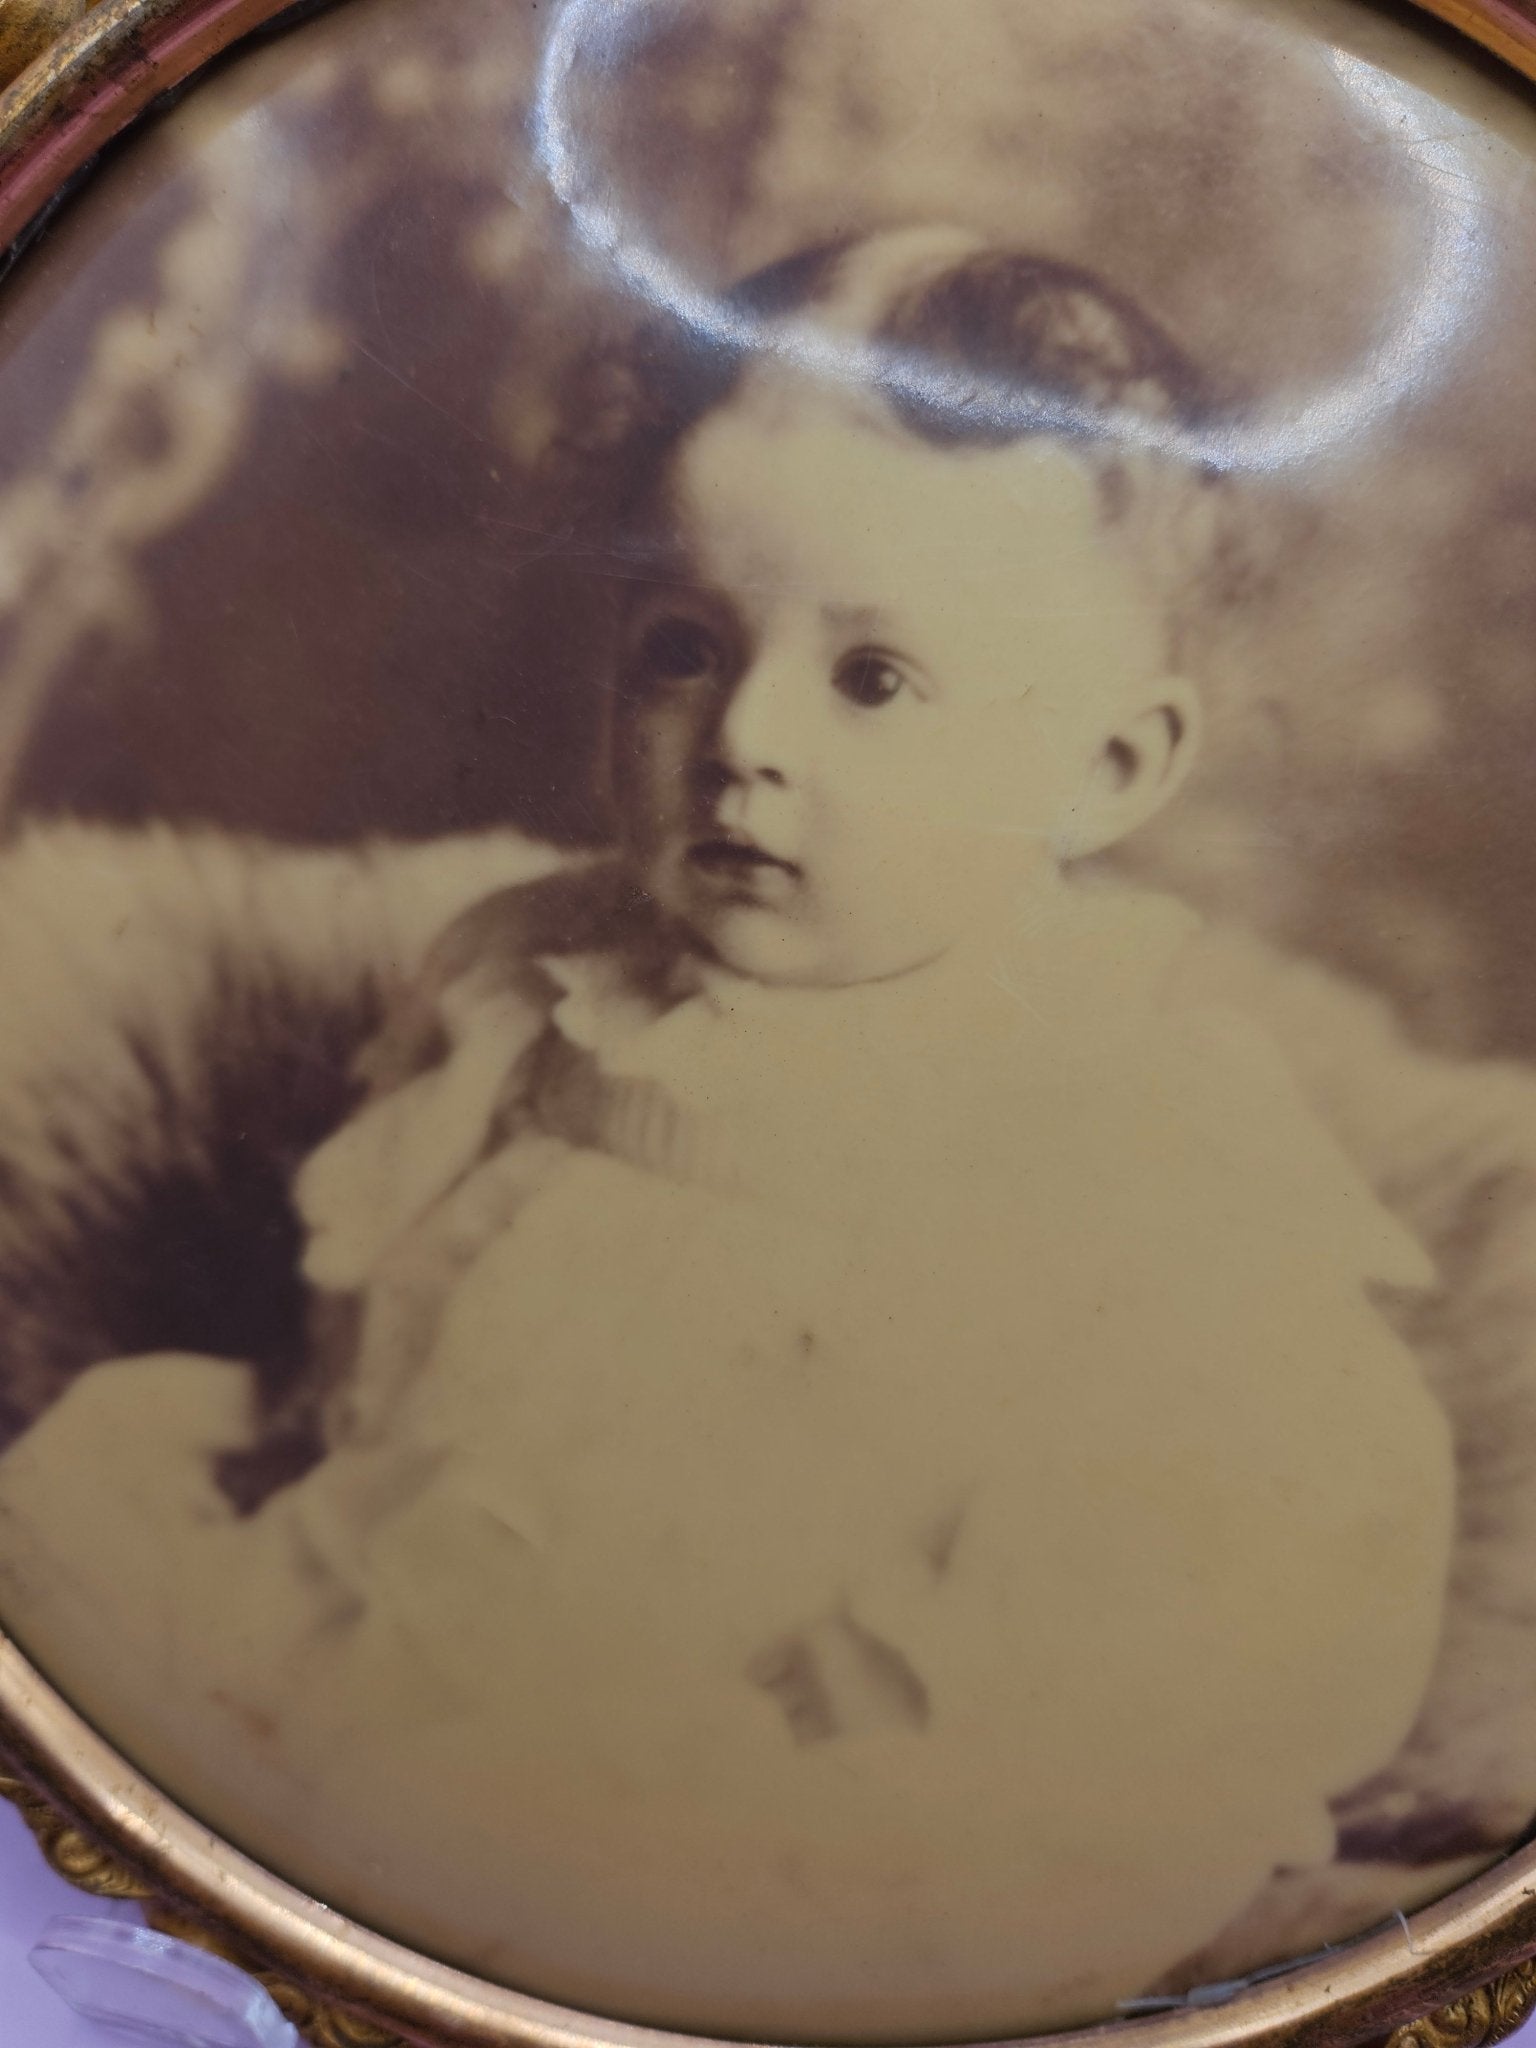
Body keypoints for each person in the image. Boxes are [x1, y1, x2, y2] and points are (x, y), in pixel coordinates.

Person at [0, 228, 1455, 2038]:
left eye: (874, 680)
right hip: (439, 1603)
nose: (745, 737)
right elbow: (401, 1291)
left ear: (1106, 769)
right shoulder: (528, 972)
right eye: (684, 649)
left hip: (793, 1752)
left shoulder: (1121, 1127)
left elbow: (1252, 1536)